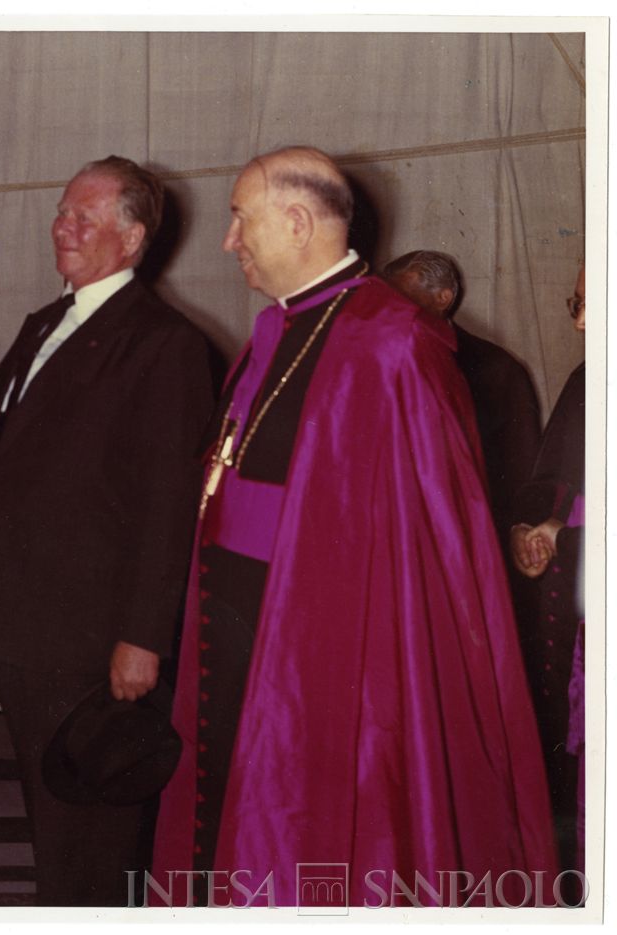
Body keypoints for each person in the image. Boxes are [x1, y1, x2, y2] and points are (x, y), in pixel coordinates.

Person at [151, 148, 557, 907]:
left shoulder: (391, 339)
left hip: (337, 649)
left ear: (297, 222)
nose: (228, 240)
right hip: (238, 620)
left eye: (241, 219)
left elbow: (430, 540)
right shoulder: (274, 329)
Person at [0, 156, 213, 906]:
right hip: (21, 630)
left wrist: (142, 635)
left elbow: (171, 504)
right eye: (62, 212)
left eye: (84, 217)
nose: (62, 227)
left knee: (92, 834)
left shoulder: (165, 344)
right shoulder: (46, 322)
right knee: (52, 818)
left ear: (132, 238)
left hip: (93, 639)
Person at [510, 263, 586, 891]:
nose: (580, 321)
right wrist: (526, 532)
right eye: (576, 300)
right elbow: (546, 484)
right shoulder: (590, 379)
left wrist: (571, 540)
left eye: (596, 303)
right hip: (577, 621)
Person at [383, 249, 541, 531]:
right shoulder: (382, 361)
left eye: (403, 300)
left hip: (474, 529)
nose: (392, 310)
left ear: (443, 298)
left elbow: (521, 473)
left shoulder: (497, 369)